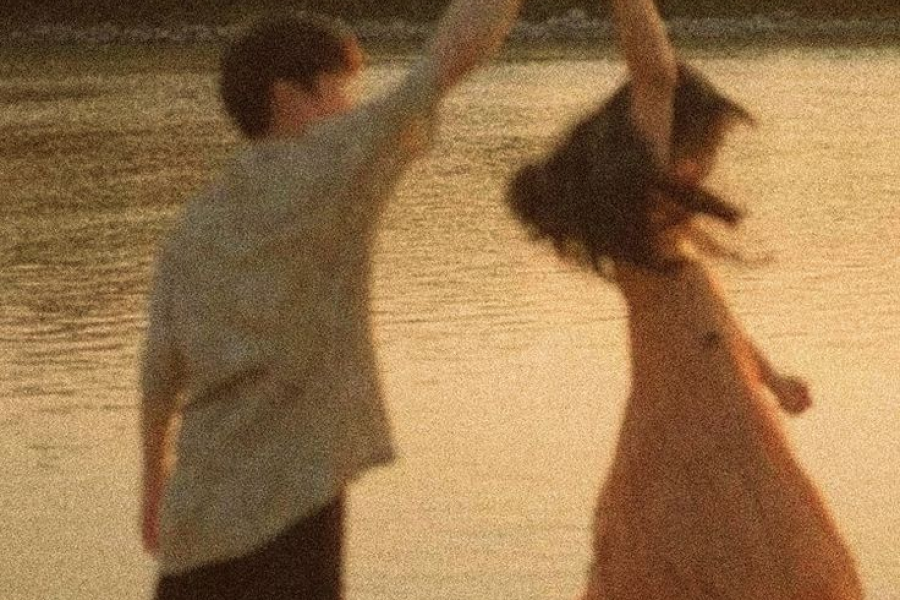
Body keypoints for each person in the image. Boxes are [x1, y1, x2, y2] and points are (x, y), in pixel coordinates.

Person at [139, 2, 524, 598]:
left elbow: (160, 370)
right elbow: (451, 55)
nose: (350, 106)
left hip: (195, 526)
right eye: (339, 89)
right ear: (288, 97)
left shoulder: (196, 222)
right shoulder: (329, 167)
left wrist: (152, 485)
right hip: (289, 507)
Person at [506, 0, 864, 598]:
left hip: (727, 413)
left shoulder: (671, 232)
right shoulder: (640, 219)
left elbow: (712, 321)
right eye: (702, 147)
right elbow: (655, 75)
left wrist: (772, 377)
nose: (708, 164)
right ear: (667, 145)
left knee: (758, 558)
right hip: (685, 419)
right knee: (713, 559)